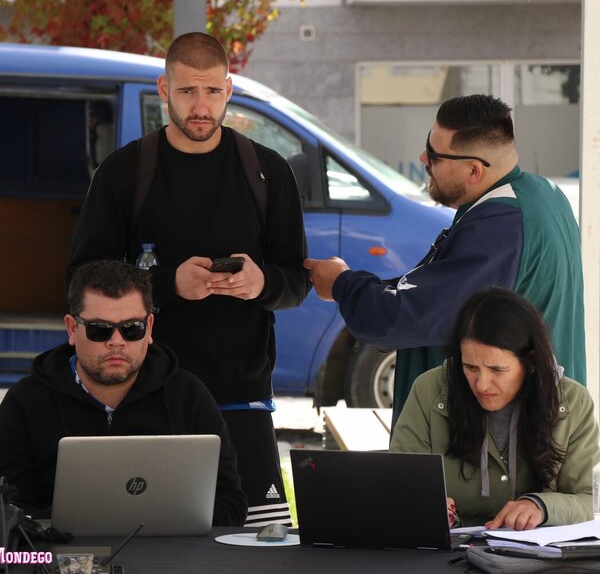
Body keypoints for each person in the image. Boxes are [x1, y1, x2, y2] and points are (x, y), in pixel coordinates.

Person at [66, 32, 310, 525]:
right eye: (187, 91)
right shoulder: (124, 172)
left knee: (261, 545)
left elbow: (296, 282)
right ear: (164, 89)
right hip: (146, 393)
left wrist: (261, 284)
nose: (201, 107)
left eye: (213, 91)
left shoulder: (267, 171)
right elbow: (81, 281)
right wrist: (166, 287)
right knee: (147, 538)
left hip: (242, 398)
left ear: (229, 90)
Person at [304, 94, 584, 425]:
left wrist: (342, 284)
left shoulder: (502, 225)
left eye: (434, 155)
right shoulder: (542, 195)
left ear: (474, 169)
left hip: (504, 442)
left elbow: (407, 317)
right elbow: (437, 291)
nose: (423, 158)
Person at [0, 260, 247, 525]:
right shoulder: (25, 402)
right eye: (99, 330)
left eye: (132, 329)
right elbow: (9, 509)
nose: (116, 342)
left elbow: (231, 504)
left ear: (149, 328)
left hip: (169, 549)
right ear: (72, 329)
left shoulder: (188, 396)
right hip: (60, 550)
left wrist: (159, 525)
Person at [390, 288, 599, 530]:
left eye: (497, 370)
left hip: (536, 550)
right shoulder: (429, 391)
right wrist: (420, 502)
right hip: (450, 547)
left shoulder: (572, 401)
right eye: (470, 367)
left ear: (530, 362)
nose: (482, 384)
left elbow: (590, 499)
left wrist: (541, 507)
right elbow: (398, 485)